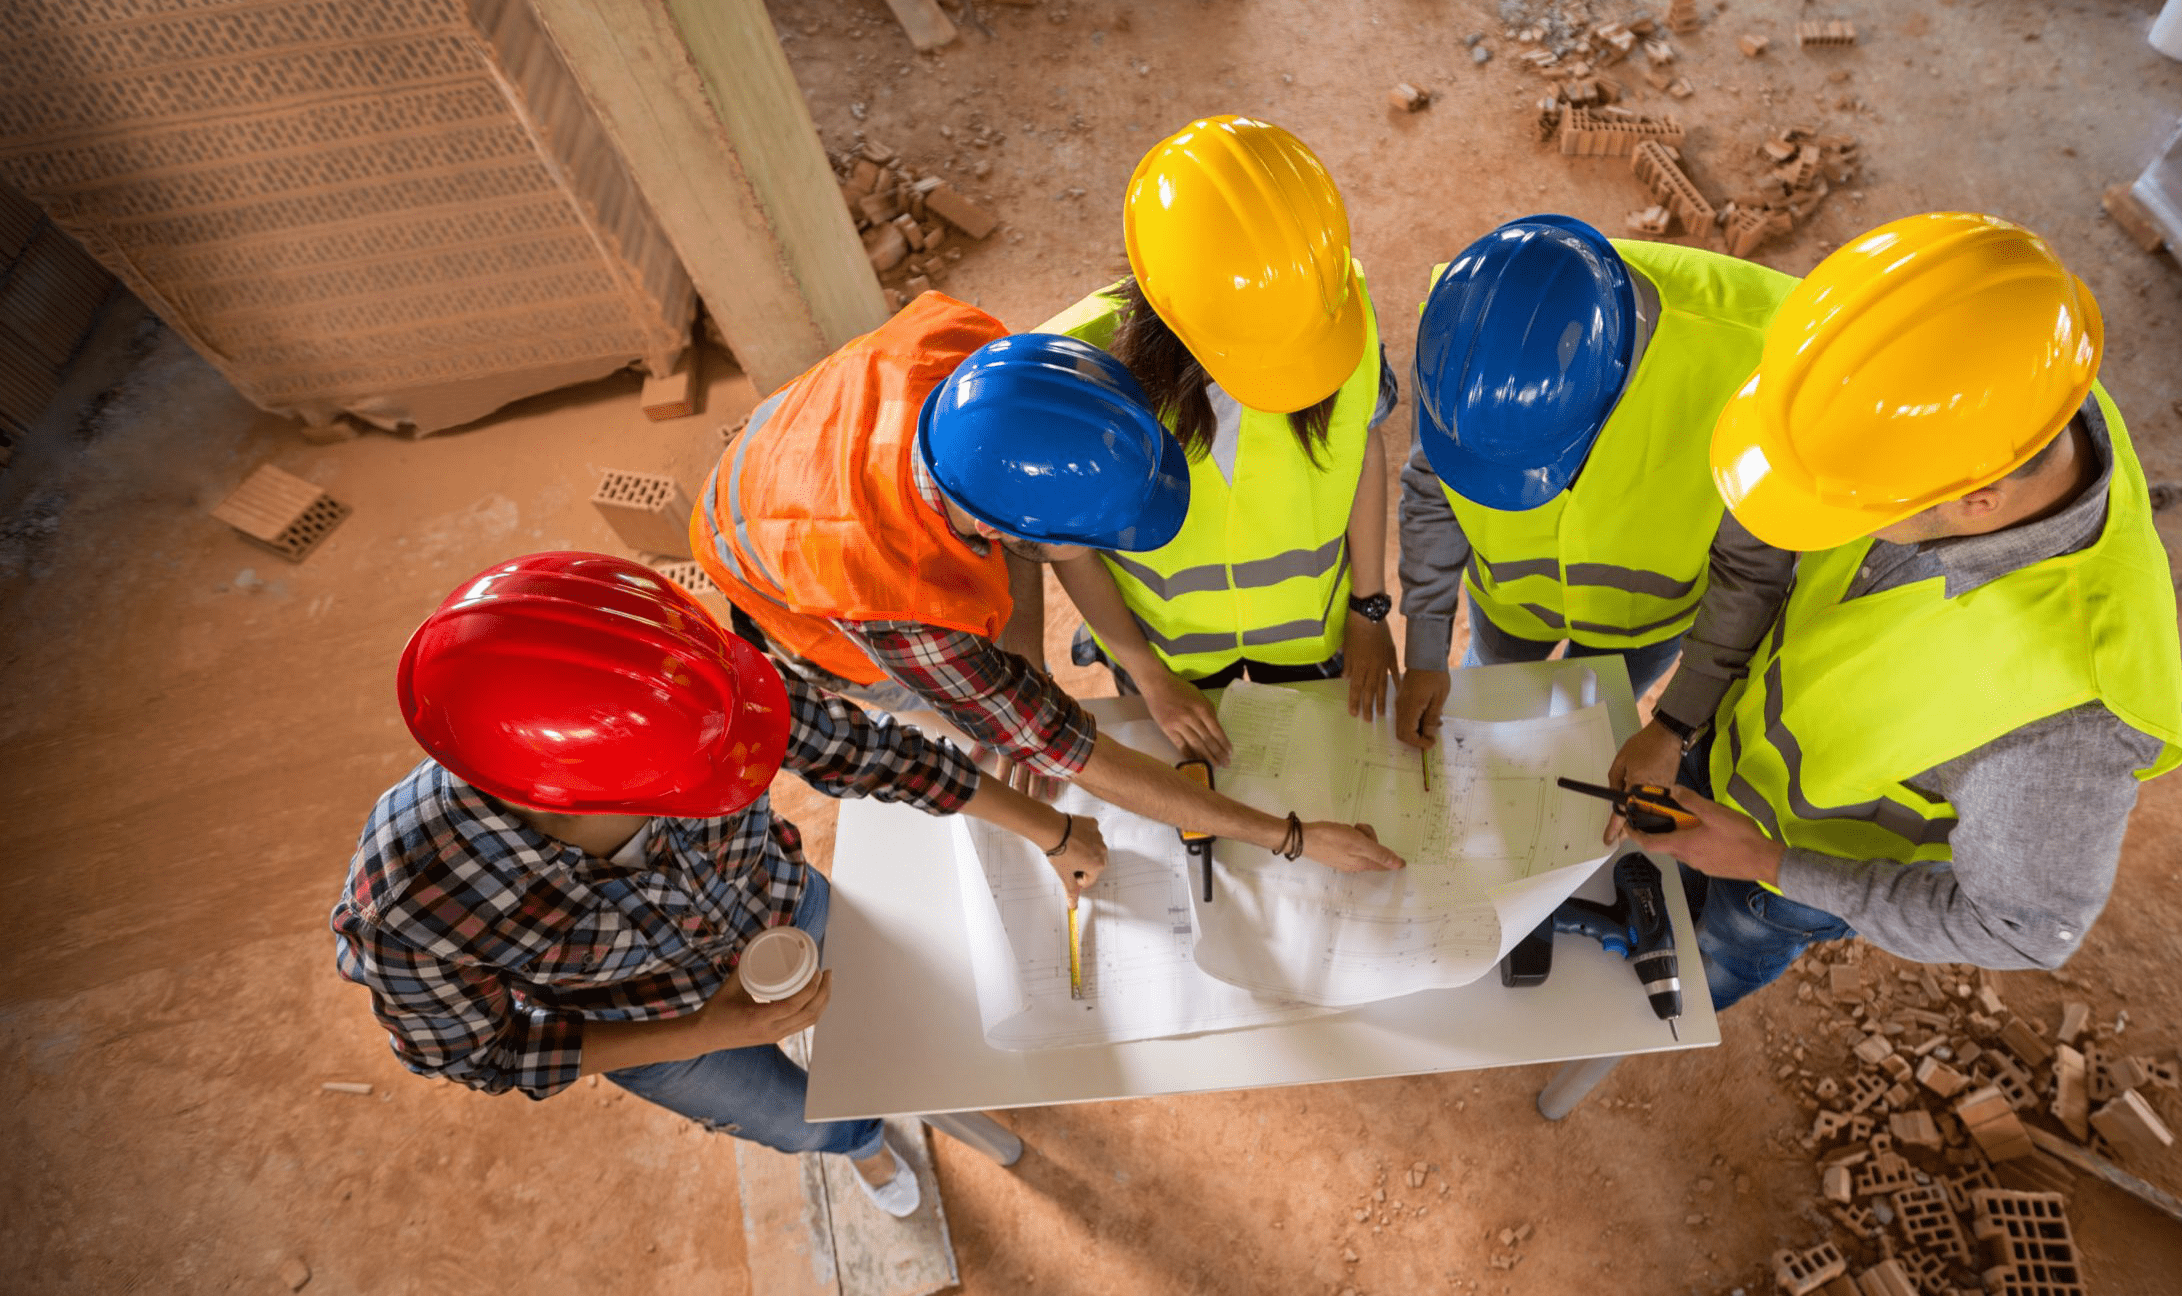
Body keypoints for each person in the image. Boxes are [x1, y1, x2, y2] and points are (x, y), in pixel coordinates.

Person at [330, 553, 1096, 1214]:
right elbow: (484, 1052)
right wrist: (706, 1034)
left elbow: (876, 753)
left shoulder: (696, 688)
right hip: (649, 1021)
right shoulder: (410, 899)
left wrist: (1050, 829)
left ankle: (892, 1091)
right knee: (798, 1120)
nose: (736, 756)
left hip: (781, 908)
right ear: (569, 798)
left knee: (905, 1023)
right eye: (702, 776)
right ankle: (860, 1141)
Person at [1611, 214, 2182, 1007]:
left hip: (1782, 877)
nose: (1832, 520)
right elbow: (1767, 543)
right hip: (1727, 754)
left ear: (1978, 502)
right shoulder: (2005, 389)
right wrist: (1679, 723)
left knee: (1689, 981)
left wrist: (1766, 863)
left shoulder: (2070, 716)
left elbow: (2022, 927)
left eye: (1852, 507)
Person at [690, 290, 1403, 874]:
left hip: (815, 451)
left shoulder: (978, 357)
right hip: (778, 566)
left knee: (1010, 701)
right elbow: (1074, 752)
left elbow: (1035, 551)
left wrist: (1027, 667)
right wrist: (1292, 838)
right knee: (976, 722)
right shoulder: (894, 605)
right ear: (1001, 529)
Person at [1041, 116, 1399, 764]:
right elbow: (1069, 549)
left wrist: (1370, 609)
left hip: (1306, 637)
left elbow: (1360, 449)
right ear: (1172, 305)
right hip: (1170, 656)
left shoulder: (1331, 308)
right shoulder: (1075, 367)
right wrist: (1147, 677)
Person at [1393, 214, 1798, 750]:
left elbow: (1752, 571)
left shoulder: (1750, 365)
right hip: (1507, 606)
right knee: (1485, 717)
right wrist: (1424, 648)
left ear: (1611, 388)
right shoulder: (1460, 336)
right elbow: (1433, 490)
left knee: (1582, 737)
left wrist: (1675, 723)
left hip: (1641, 632)